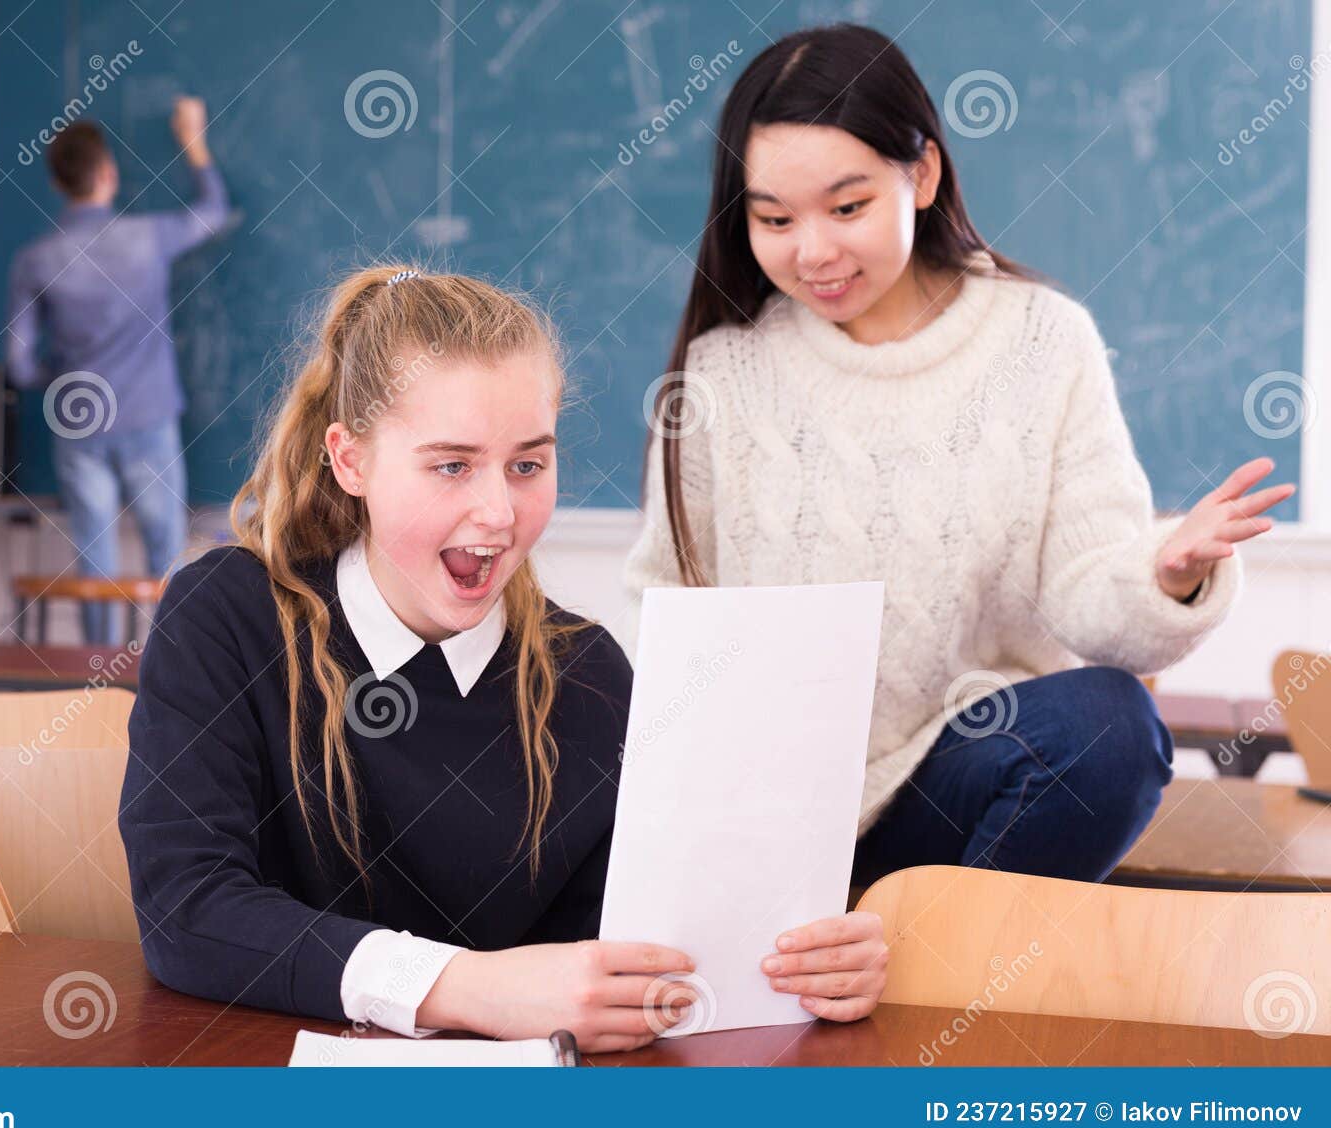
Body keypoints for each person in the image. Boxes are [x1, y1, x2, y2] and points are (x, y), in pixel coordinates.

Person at [120, 266, 889, 1051]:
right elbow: (188, 908)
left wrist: (810, 962)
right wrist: (468, 987)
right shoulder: (227, 617)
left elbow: (641, 954)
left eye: (528, 465)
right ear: (350, 462)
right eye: (451, 464)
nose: (497, 511)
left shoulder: (589, 673)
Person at [624, 24, 1295, 888]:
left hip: (955, 791)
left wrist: (1163, 576)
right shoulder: (722, 373)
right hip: (769, 813)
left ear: (924, 174)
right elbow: (662, 609)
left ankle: (938, 966)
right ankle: (852, 949)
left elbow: (1093, 600)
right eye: (775, 219)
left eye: (848, 207)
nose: (813, 251)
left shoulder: (1043, 342)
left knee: (1107, 726)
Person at [6, 96, 229, 643]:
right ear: (108, 174)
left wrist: (59, 372)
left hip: (80, 425)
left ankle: (94, 685)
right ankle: (176, 674)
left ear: (60, 183)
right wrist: (192, 139)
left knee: (94, 560)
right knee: (169, 558)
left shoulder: (36, 260)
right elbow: (213, 211)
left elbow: (17, 363)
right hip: (149, 416)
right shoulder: (147, 237)